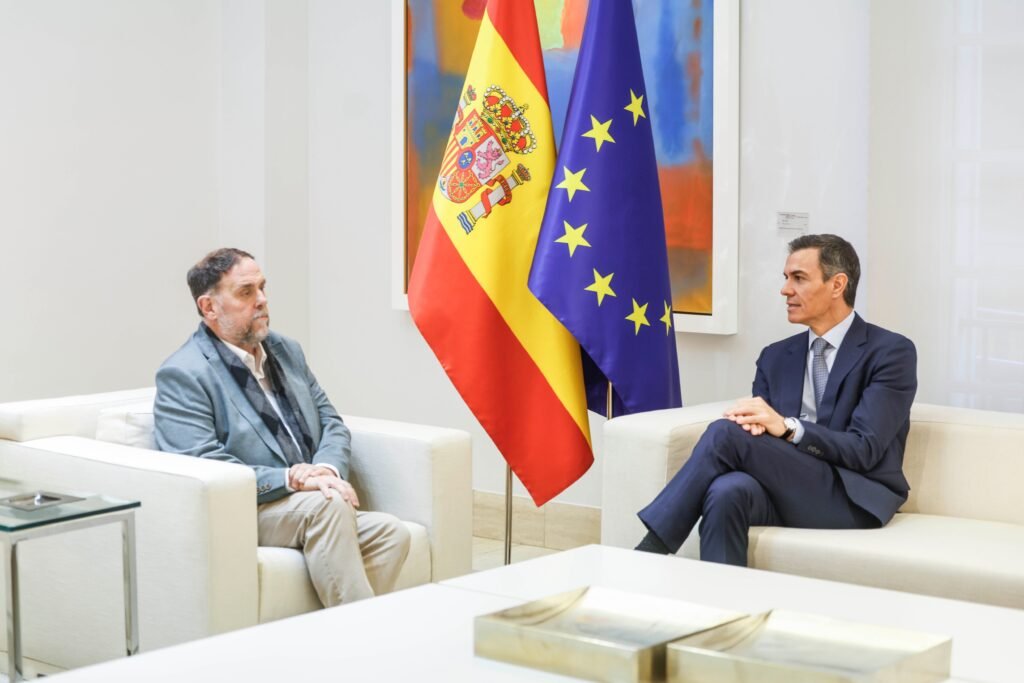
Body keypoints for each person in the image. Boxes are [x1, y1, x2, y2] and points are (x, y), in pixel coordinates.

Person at [635, 234, 917, 565]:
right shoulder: (776, 356)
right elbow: (757, 436)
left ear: (837, 285)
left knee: (725, 434)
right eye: (786, 278)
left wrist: (788, 428)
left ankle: (650, 551)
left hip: (852, 495)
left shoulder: (890, 352)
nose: (785, 290)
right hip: (787, 485)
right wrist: (756, 425)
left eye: (799, 278)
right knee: (726, 491)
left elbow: (864, 449)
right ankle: (722, 596)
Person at [154, 247, 410, 606]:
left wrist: (324, 470)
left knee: (391, 533)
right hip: (246, 507)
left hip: (304, 500)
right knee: (328, 506)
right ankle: (363, 632)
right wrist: (291, 479)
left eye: (262, 287)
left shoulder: (285, 350)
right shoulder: (184, 373)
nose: (262, 300)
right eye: (246, 292)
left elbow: (330, 421)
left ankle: (332, 631)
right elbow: (202, 464)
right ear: (209, 307)